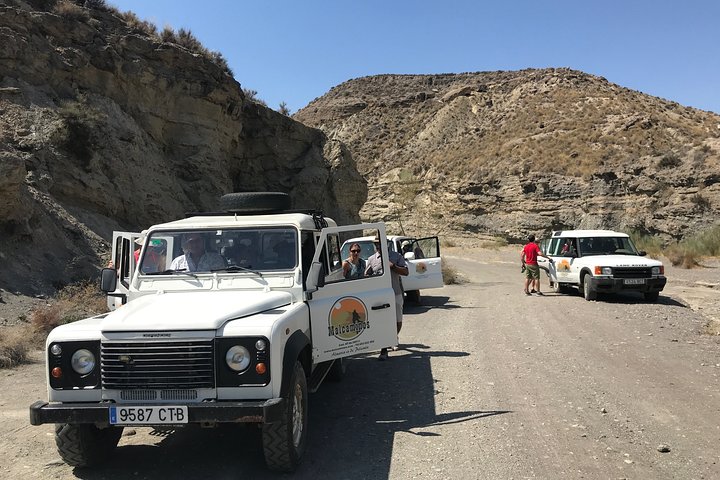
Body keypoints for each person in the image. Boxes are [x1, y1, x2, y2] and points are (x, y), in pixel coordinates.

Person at [365, 235, 409, 360]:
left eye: (380, 244)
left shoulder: (396, 256)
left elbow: (406, 272)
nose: (378, 246)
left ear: (386, 244)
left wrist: (394, 266)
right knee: (381, 322)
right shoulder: (371, 259)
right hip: (379, 295)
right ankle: (384, 349)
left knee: (397, 320)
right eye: (376, 244)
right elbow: (366, 275)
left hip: (395, 293)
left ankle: (393, 337)